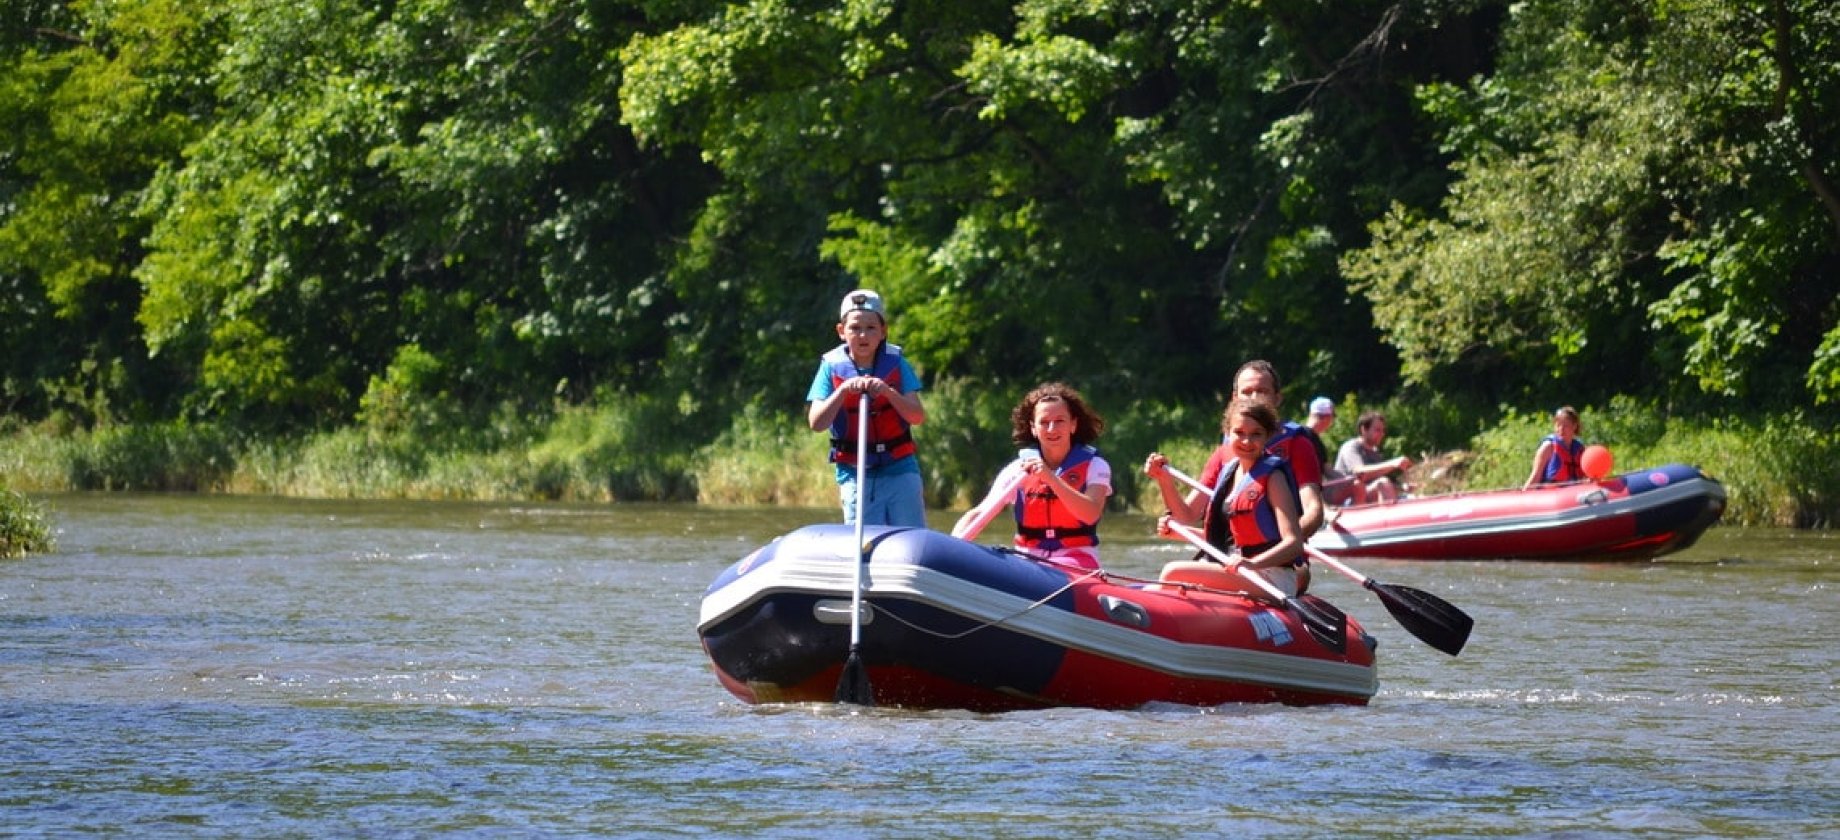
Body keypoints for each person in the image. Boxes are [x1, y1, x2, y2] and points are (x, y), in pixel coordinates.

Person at [1144, 360, 1327, 537]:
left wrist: (1282, 547)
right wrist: (1164, 480)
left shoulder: (1297, 444)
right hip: (1233, 557)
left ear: (1277, 398)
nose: (1254, 398)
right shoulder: (1226, 451)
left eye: (1262, 391)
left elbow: (1313, 510)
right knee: (1175, 569)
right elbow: (1188, 515)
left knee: (1174, 570)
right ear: (1235, 399)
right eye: (1246, 392)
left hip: (1280, 558)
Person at [1151, 398, 1307, 599]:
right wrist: (1164, 481)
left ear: (1268, 435)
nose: (1247, 441)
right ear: (1227, 433)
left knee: (1173, 572)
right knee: (1166, 583)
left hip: (1270, 576)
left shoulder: (1273, 478)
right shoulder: (1230, 472)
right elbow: (1225, 540)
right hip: (1241, 570)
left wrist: (1253, 564)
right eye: (1239, 433)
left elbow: (1294, 543)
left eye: (1256, 434)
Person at [951, 382, 1112, 571]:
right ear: (1033, 428)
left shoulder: (1095, 466)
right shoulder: (1017, 470)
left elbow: (1090, 514)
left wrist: (1050, 478)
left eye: (1059, 421)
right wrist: (950, 547)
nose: (1052, 429)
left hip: (1076, 558)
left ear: (1073, 425)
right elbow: (979, 513)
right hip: (1026, 558)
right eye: (1044, 422)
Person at [806, 289, 928, 527]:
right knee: (864, 541)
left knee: (909, 536)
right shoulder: (830, 368)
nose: (863, 335)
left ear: (883, 332)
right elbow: (816, 423)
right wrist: (842, 391)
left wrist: (887, 391)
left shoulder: (896, 363)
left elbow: (917, 416)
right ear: (842, 332)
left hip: (899, 469)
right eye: (854, 328)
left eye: (871, 328)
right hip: (855, 473)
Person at [1334, 410, 1413, 504]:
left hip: (1367, 494)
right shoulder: (1351, 447)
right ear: (1364, 430)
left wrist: (1401, 487)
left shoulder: (1375, 452)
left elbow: (1374, 481)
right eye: (1378, 430)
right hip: (1348, 499)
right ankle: (1387, 518)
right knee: (1383, 483)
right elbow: (1360, 472)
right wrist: (1393, 464)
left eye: (1383, 430)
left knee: (1411, 498)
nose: (1382, 434)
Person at [1306, 396, 1364, 507]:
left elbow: (1327, 470)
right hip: (1312, 491)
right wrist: (1348, 480)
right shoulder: (1307, 436)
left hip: (1313, 488)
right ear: (1327, 417)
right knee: (1357, 485)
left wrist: (1347, 478)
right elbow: (1328, 472)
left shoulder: (1309, 438)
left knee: (1355, 482)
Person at [1523, 406, 1585, 489]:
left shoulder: (1580, 450)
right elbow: (1535, 477)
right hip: (1549, 496)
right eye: (1558, 425)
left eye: (1565, 425)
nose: (1561, 429)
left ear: (1574, 426)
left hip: (1573, 496)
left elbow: (1587, 479)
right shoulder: (1548, 447)